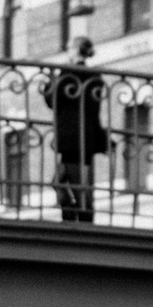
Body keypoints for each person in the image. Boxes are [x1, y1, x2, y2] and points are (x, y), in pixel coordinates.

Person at [49, 38, 107, 225]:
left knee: (76, 185)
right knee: (61, 182)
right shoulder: (94, 76)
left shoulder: (68, 73)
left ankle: (80, 221)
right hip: (87, 136)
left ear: (75, 50)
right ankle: (72, 214)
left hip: (71, 137)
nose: (67, 52)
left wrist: (50, 81)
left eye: (69, 48)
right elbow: (94, 110)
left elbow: (52, 100)